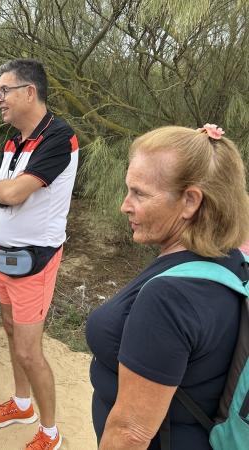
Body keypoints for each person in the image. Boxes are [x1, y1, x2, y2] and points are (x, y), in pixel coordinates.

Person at [85, 124, 249, 449]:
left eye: (139, 193)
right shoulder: (232, 261)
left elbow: (131, 433)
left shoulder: (171, 298)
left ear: (190, 201)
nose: (124, 205)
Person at [0, 59, 79, 450]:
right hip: (2, 255)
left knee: (27, 349)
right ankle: (22, 404)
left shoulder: (58, 137)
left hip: (34, 261)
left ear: (29, 92)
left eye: (4, 91)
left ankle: (50, 432)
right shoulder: (14, 139)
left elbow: (12, 194)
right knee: (10, 330)